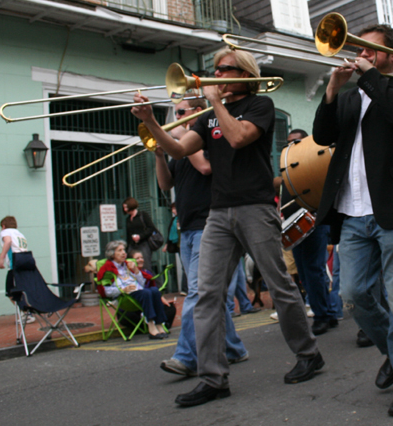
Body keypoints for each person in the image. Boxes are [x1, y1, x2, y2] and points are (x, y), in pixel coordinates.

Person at [132, 48, 320, 407]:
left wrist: (216, 103)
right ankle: (213, 377)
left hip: (256, 206)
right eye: (215, 69)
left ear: (243, 74)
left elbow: (237, 137)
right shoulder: (205, 117)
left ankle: (309, 353)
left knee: (279, 284)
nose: (216, 74)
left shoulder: (259, 106)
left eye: (224, 69)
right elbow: (178, 147)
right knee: (206, 295)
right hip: (218, 213)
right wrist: (151, 122)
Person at [313, 23, 393, 417]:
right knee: (354, 296)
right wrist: (333, 88)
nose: (360, 54)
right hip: (351, 212)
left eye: (369, 49)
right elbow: (321, 133)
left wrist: (368, 77)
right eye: (358, 48)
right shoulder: (349, 97)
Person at [157, 98, 248, 377]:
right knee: (211, 294)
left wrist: (183, 138)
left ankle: (186, 356)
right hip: (187, 228)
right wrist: (159, 155)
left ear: (198, 112)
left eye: (181, 112)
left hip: (210, 224)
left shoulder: (210, 138)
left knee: (196, 292)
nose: (176, 117)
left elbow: (206, 168)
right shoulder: (181, 149)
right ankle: (233, 348)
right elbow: (165, 185)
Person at [280, 128, 335, 335]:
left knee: (313, 270)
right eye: (288, 143)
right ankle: (326, 312)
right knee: (306, 272)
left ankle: (322, 315)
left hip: (312, 220)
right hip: (295, 224)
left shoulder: (310, 162)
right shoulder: (287, 166)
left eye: (296, 141)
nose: (291, 146)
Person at [97, 240, 168, 339]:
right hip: (125, 297)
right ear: (112, 254)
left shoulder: (129, 264)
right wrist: (122, 289)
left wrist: (136, 271)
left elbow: (142, 283)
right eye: (119, 250)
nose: (123, 253)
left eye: (124, 250)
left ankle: (159, 324)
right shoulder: (107, 268)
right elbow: (105, 291)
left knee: (155, 291)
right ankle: (151, 326)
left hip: (138, 291)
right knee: (146, 293)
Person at [0, 216, 33, 324]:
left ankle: (26, 313)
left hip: (15, 266)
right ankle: (27, 312)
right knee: (22, 291)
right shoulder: (19, 234)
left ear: (3, 226)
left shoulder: (5, 232)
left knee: (11, 292)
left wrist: (1, 258)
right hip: (25, 263)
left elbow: (7, 242)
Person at [123, 197, 157, 272]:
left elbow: (151, 228)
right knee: (130, 265)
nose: (125, 209)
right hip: (132, 245)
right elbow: (128, 234)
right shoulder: (128, 219)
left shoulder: (143, 215)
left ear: (131, 205)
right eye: (124, 207)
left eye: (126, 207)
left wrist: (140, 236)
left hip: (143, 244)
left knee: (145, 266)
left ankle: (152, 283)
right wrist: (127, 248)